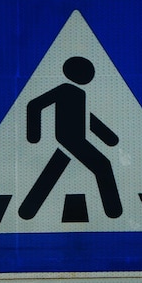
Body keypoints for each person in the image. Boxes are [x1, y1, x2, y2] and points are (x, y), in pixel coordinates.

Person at [19, 56, 123, 219]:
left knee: (53, 171)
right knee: (102, 165)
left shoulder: (78, 93)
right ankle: (114, 212)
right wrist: (34, 135)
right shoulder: (64, 89)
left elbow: (86, 119)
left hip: (72, 139)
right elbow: (34, 105)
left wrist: (109, 137)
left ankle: (26, 211)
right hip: (69, 139)